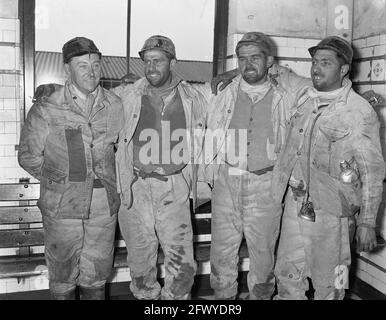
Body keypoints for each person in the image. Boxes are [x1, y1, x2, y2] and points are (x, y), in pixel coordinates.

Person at [271, 36, 386, 300]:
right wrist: (232, 71)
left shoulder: (359, 111)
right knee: (287, 273)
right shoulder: (304, 96)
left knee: (332, 282)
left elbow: (372, 171)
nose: (316, 68)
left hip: (333, 212)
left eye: (325, 62)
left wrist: (367, 222)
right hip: (295, 204)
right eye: (314, 62)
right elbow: (275, 70)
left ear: (343, 69)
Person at [202, 32, 311, 300]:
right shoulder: (222, 90)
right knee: (221, 254)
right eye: (242, 59)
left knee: (263, 258)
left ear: (270, 61)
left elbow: (321, 85)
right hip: (226, 182)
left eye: (255, 58)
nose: (247, 64)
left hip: (267, 186)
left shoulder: (286, 92)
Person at [18, 37, 123, 300]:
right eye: (83, 65)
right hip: (63, 207)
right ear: (67, 69)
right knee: (63, 276)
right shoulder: (47, 106)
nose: (92, 71)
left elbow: (121, 148)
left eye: (96, 65)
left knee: (98, 274)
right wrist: (59, 182)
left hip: (103, 207)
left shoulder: (114, 105)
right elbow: (29, 156)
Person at [112, 35, 208, 300]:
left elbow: (235, 88)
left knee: (182, 266)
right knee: (140, 265)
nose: (152, 67)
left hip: (174, 187)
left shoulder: (194, 97)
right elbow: (93, 104)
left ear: (173, 62)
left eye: (159, 60)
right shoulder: (127, 95)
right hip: (135, 189)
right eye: (147, 61)